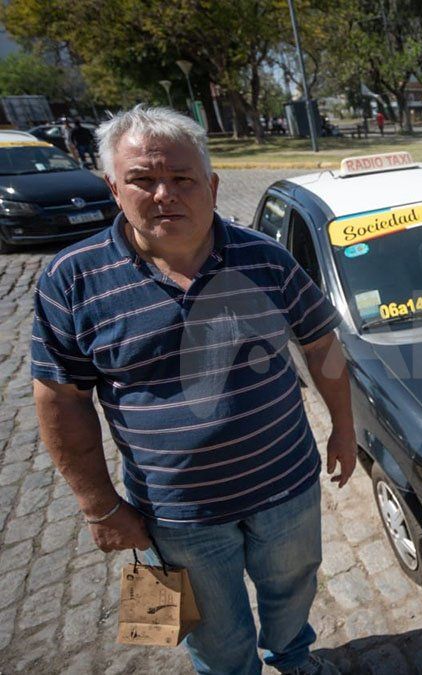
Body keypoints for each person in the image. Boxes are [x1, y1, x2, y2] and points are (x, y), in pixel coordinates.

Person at [31, 105, 354, 675]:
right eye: (142, 179)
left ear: (211, 184)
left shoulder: (266, 257)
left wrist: (345, 433)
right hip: (176, 516)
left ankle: (294, 658)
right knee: (212, 632)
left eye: (181, 179)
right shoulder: (71, 280)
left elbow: (321, 344)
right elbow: (61, 399)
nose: (163, 194)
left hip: (288, 488)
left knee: (292, 589)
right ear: (113, 187)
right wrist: (99, 508)